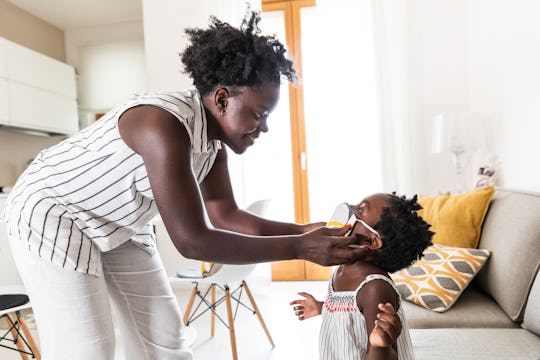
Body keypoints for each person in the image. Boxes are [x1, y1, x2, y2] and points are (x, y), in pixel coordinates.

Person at [0, 10, 367, 360]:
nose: (264, 128)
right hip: (52, 211)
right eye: (259, 114)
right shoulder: (162, 125)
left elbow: (228, 216)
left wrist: (306, 231)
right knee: (88, 349)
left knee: (166, 340)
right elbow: (192, 241)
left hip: (120, 223)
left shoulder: (211, 148)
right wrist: (298, 249)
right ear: (222, 99)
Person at [290, 193, 434, 360]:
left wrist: (378, 345)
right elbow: (349, 314)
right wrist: (321, 307)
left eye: (360, 209)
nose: (350, 209)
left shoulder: (374, 289)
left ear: (372, 242)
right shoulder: (343, 266)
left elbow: (386, 354)